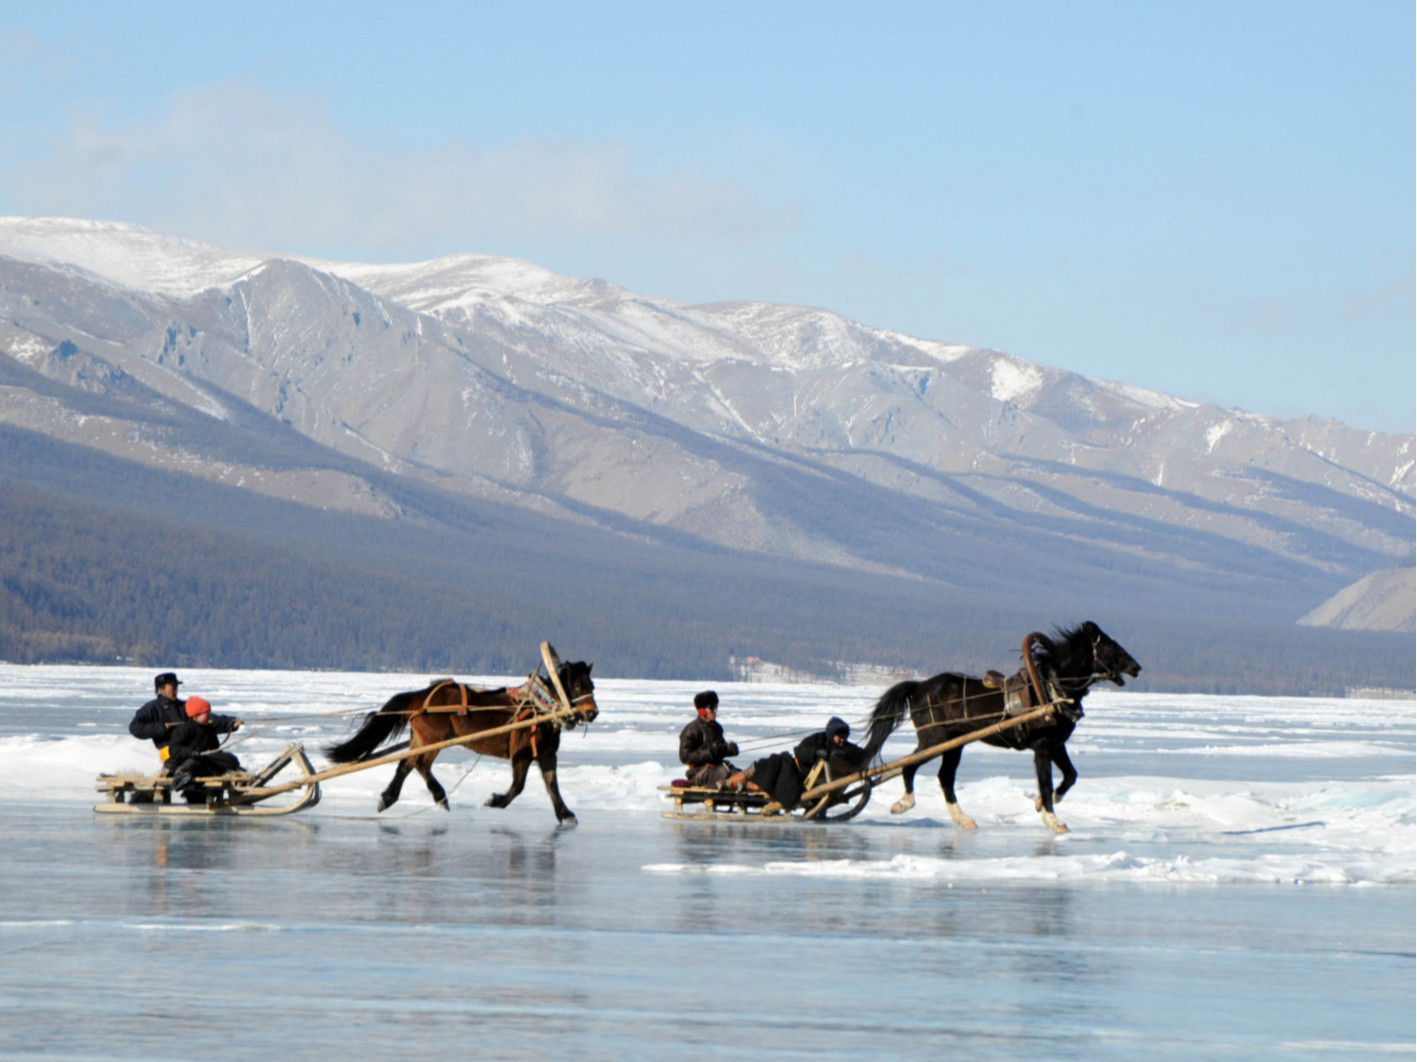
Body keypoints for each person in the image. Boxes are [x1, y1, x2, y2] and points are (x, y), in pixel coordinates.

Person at [725, 716, 866, 813]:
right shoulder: (818, 739)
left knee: (772, 765)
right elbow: (801, 751)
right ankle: (734, 784)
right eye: (839, 736)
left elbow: (860, 754)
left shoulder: (845, 748)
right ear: (830, 733)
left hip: (800, 778)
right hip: (799, 770)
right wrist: (816, 752)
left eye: (844, 736)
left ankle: (747, 785)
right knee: (774, 763)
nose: (842, 739)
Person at [166, 696, 244, 800]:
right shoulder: (183, 730)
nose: (209, 715)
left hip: (208, 761)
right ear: (196, 715)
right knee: (193, 762)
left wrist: (232, 724)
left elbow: (221, 722)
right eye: (206, 713)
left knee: (231, 759)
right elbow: (174, 750)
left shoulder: (209, 727)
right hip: (193, 761)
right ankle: (182, 774)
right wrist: (191, 752)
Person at [128, 672, 191, 768]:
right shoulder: (152, 707)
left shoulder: (185, 706)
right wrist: (161, 728)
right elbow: (135, 727)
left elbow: (204, 718)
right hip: (169, 752)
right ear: (161, 689)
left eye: (176, 688)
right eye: (173, 689)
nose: (176, 692)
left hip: (189, 749)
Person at [678, 690, 740, 788]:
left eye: (716, 707)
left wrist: (729, 750)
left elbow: (719, 751)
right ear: (701, 710)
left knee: (742, 774)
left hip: (717, 768)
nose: (715, 710)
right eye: (711, 708)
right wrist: (709, 752)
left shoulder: (717, 728)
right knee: (731, 775)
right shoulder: (691, 730)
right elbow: (684, 756)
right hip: (699, 772)